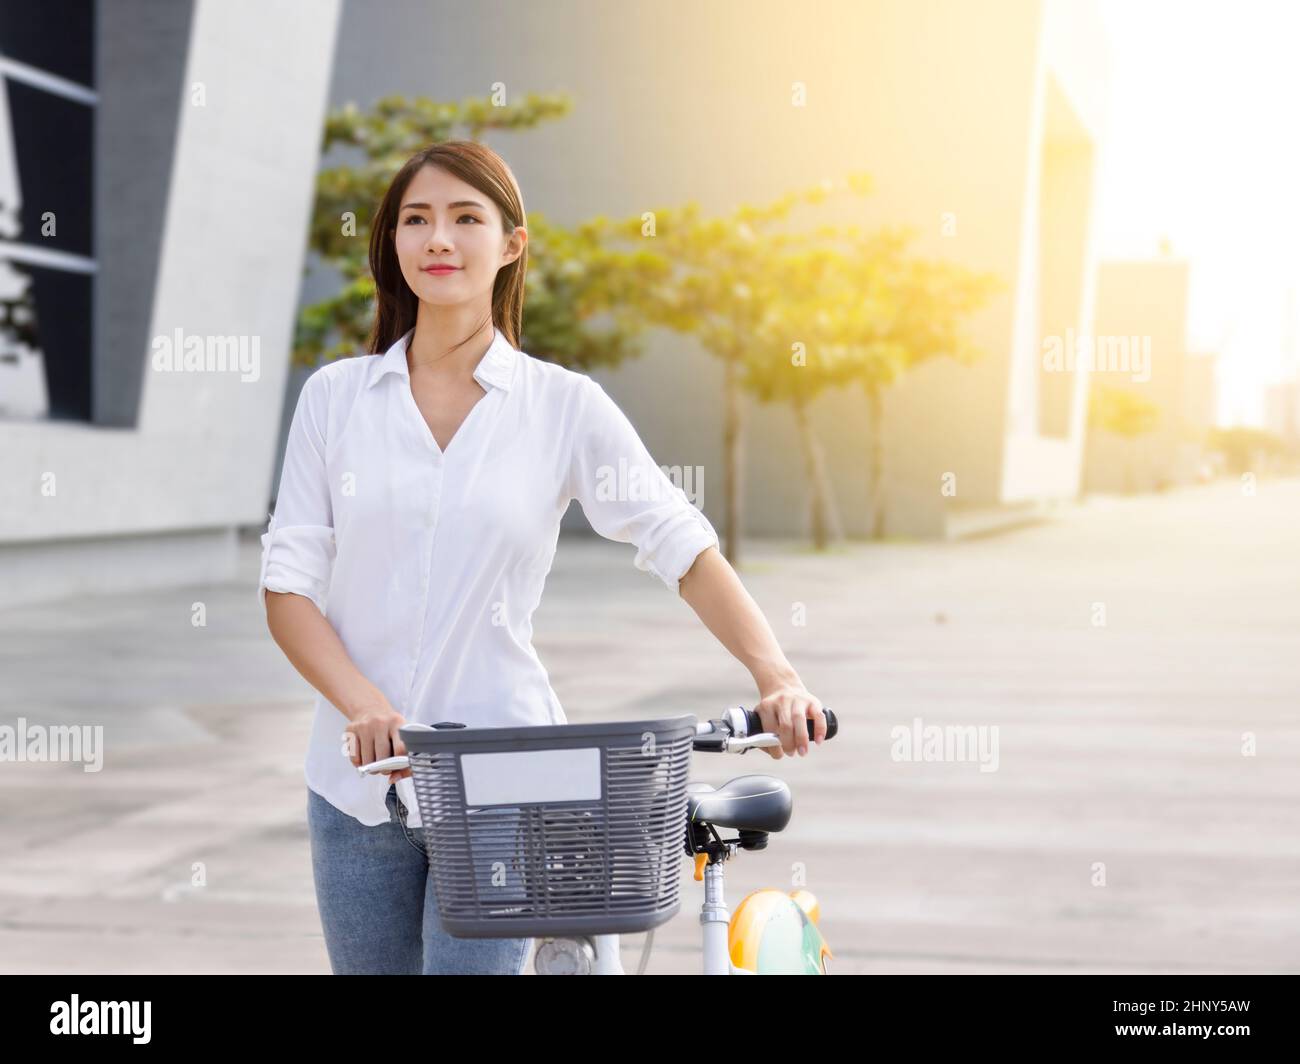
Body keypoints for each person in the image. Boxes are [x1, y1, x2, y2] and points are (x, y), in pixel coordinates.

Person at [259, 140, 829, 975]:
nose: (438, 240)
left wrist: (776, 675)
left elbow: (680, 542)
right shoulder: (335, 400)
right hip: (355, 790)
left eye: (465, 218)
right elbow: (287, 588)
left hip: (504, 784)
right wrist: (363, 704)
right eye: (416, 220)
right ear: (393, 244)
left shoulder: (562, 408)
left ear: (512, 244)